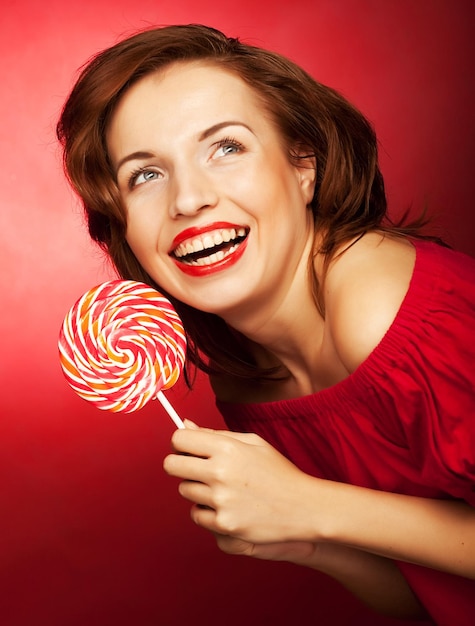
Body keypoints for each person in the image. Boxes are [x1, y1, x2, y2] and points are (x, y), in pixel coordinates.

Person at [56, 24, 475, 624]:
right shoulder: (249, 381)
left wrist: (308, 504)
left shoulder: (384, 310)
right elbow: (430, 599)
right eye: (144, 174)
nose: (189, 200)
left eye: (226, 147)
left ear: (303, 165)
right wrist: (304, 540)